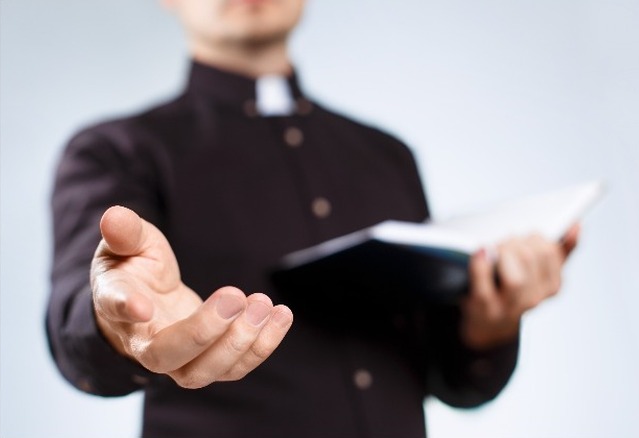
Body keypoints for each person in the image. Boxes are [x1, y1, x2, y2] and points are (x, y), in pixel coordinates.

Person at [47, 1, 579, 437]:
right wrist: (117, 323)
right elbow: (81, 307)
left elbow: (450, 379)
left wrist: (491, 322)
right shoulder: (116, 151)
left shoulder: (388, 155)